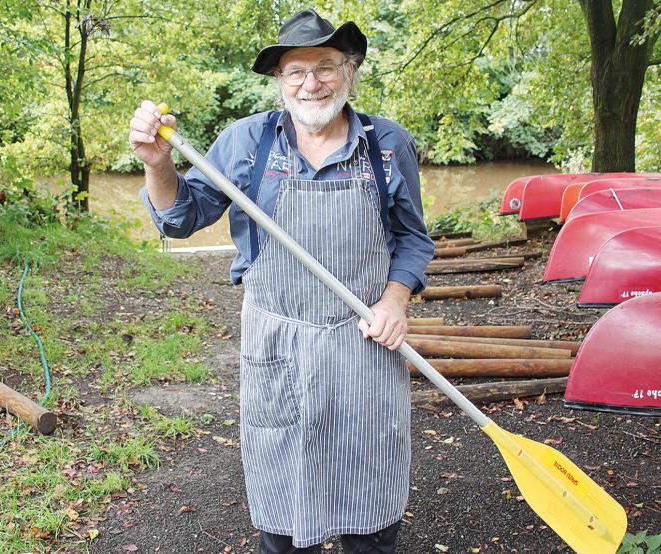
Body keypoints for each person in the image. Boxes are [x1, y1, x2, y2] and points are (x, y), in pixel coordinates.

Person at [130, 9, 433, 553]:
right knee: (283, 519)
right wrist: (158, 165)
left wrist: (395, 300)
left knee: (370, 516)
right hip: (278, 344)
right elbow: (180, 219)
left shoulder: (387, 146)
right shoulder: (247, 142)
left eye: (325, 67)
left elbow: (412, 239)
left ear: (351, 70)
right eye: (295, 70)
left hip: (361, 345)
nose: (310, 83)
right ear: (278, 80)